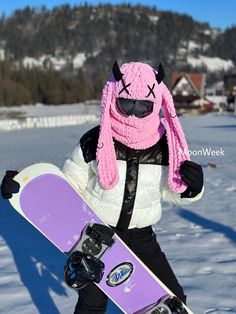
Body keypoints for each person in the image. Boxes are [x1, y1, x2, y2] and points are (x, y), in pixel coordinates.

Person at [1, 61, 204, 314]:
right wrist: (22, 184)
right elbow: (66, 187)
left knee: (172, 300)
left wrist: (192, 187)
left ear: (156, 105)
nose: (133, 113)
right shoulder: (95, 140)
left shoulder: (166, 146)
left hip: (142, 237)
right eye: (126, 104)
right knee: (93, 303)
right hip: (97, 235)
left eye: (143, 106)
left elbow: (171, 190)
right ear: (112, 97)